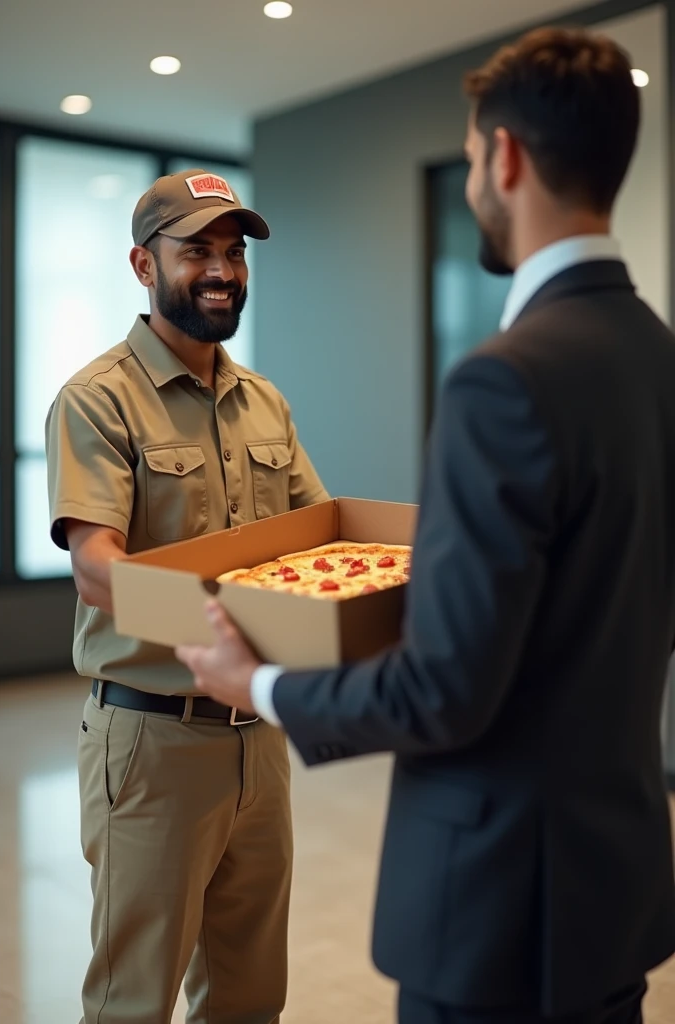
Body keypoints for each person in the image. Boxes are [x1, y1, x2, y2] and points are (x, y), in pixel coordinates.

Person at [176, 28, 675, 1024]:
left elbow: (444, 692)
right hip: (611, 886)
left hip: (498, 906)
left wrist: (257, 682)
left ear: (502, 156)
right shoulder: (654, 354)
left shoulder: (505, 380)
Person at [45, 168, 328, 1024]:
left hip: (258, 741)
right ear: (143, 264)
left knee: (249, 996)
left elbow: (323, 536)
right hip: (152, 743)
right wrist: (231, 621)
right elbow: (96, 568)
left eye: (234, 252)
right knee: (135, 998)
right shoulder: (99, 401)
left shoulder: (263, 403)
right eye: (196, 250)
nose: (222, 270)